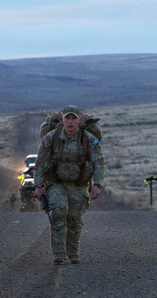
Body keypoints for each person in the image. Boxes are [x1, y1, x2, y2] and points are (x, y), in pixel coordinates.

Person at [34, 105, 105, 264]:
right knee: (58, 212)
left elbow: (98, 162)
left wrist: (97, 184)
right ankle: (59, 253)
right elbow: (40, 162)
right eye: (68, 118)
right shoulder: (52, 137)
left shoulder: (88, 139)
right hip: (56, 182)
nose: (71, 122)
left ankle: (73, 252)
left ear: (79, 120)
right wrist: (39, 186)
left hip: (79, 183)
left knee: (74, 217)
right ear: (62, 118)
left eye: (74, 118)